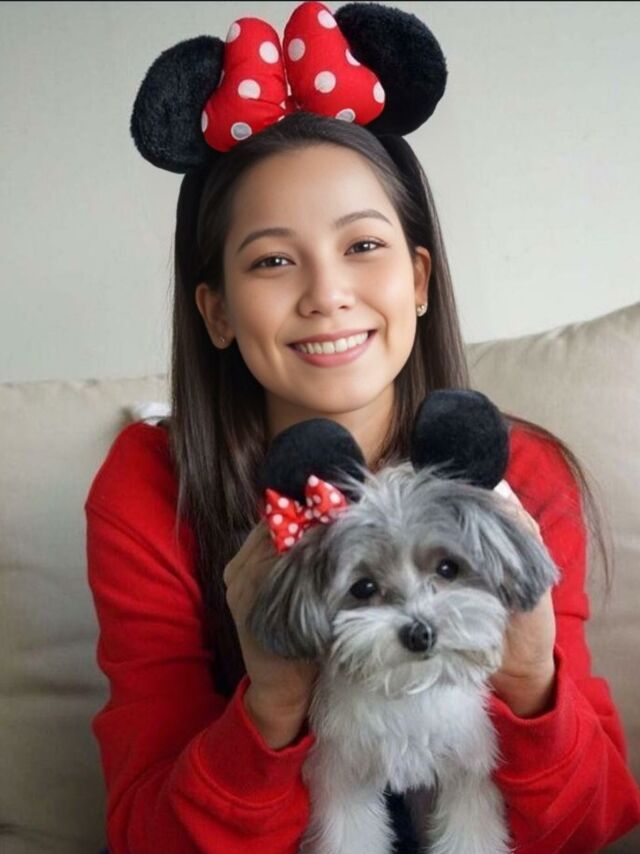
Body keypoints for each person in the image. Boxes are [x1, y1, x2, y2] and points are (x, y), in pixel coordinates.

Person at [86, 3, 640, 852]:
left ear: (418, 279)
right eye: (273, 260)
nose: (326, 294)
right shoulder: (151, 482)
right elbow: (146, 835)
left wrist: (529, 665)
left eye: (363, 246)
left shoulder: (516, 470)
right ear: (217, 311)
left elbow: (595, 820)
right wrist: (274, 696)